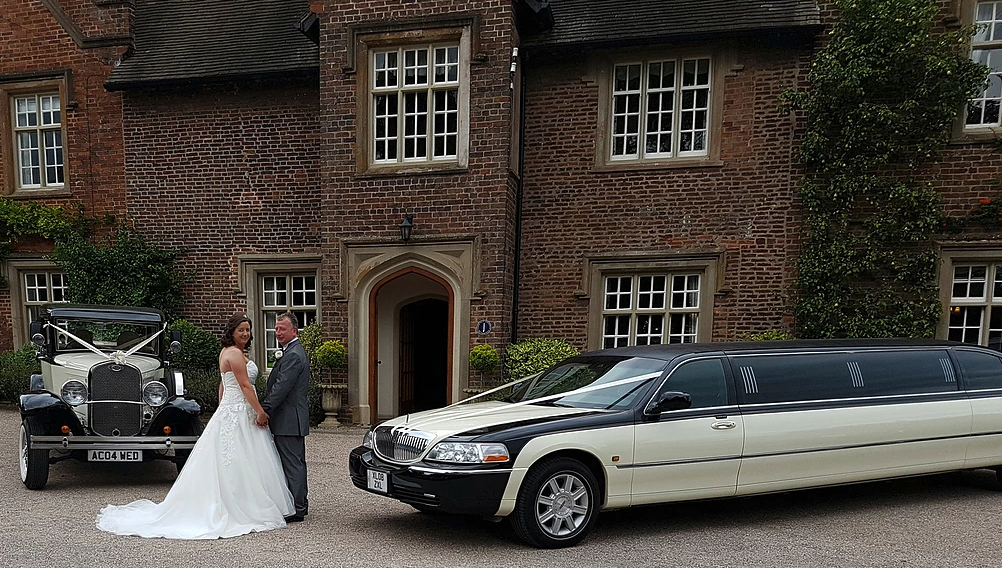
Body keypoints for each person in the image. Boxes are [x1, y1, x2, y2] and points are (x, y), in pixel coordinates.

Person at [95, 314, 294, 539]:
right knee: (237, 458)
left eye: (248, 330)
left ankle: (247, 501)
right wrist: (260, 412)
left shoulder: (228, 352)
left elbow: (223, 385)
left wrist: (222, 407)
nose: (245, 334)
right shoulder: (234, 354)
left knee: (242, 458)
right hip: (240, 410)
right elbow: (245, 386)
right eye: (241, 330)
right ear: (232, 332)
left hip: (235, 410)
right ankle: (240, 506)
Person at [256, 311, 310, 523]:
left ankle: (297, 508)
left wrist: (264, 410)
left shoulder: (294, 355)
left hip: (289, 419)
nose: (277, 332)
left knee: (292, 464)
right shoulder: (290, 351)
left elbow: (281, 388)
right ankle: (298, 503)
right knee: (292, 462)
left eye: (282, 329)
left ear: (294, 331)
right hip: (288, 418)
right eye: (276, 328)